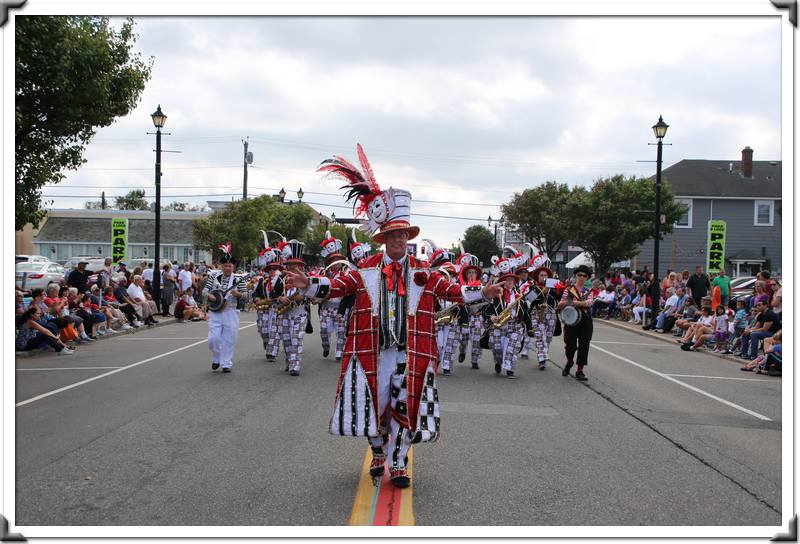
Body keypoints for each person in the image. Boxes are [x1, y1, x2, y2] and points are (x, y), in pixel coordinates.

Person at [285, 144, 501, 488]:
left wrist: (483, 293)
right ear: (383, 239)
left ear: (407, 238)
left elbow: (452, 292)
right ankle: (378, 453)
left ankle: (399, 462)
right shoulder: (367, 269)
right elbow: (337, 286)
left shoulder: (423, 271)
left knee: (405, 406)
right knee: (375, 405)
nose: (398, 240)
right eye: (392, 236)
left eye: (402, 235)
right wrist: (307, 284)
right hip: (372, 350)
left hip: (409, 351)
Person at [203, 242, 249, 372]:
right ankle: (216, 356)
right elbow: (204, 291)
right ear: (221, 266)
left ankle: (226, 363)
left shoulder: (238, 279)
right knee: (213, 339)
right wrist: (210, 296)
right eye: (225, 265)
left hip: (231, 311)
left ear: (233, 266)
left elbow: (246, 295)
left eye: (230, 266)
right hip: (216, 311)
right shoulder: (213, 277)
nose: (228, 268)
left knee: (230, 338)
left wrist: (238, 294)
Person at [275, 240, 310, 376]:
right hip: (284, 314)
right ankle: (289, 361)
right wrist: (280, 298)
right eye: (290, 265)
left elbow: (313, 296)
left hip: (299, 313)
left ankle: (295, 365)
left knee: (296, 339)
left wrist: (304, 296)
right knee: (287, 340)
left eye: (297, 265)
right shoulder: (280, 279)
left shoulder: (306, 279)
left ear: (300, 266)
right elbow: (274, 294)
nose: (293, 267)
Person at [557, 264, 594, 381]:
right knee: (570, 345)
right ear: (575, 276)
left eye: (584, 276)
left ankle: (580, 370)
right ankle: (569, 362)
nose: (582, 277)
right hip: (571, 322)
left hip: (585, 321)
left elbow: (590, 302)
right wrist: (565, 303)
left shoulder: (589, 291)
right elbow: (560, 304)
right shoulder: (568, 290)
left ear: (587, 278)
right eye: (579, 275)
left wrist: (576, 303)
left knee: (584, 346)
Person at [525, 264, 560, 370]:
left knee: (548, 338)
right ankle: (541, 359)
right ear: (537, 276)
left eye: (545, 275)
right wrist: (541, 292)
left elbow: (559, 298)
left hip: (551, 314)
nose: (543, 277)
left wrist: (557, 289)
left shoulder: (554, 288)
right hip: (537, 314)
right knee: (540, 336)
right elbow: (529, 300)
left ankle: (544, 356)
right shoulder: (533, 287)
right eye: (541, 275)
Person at [455, 254, 484, 370]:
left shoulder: (482, 287)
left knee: (477, 340)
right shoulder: (461, 287)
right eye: (469, 273)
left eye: (474, 272)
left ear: (477, 275)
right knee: (464, 338)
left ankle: (475, 360)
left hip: (477, 317)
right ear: (466, 275)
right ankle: (462, 351)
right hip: (465, 317)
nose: (472, 274)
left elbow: (487, 302)